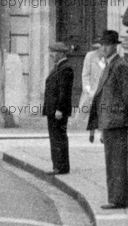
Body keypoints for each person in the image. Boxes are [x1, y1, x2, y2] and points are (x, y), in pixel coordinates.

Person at [88, 30, 128, 210]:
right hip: (110, 121)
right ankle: (117, 198)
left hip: (117, 122)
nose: (101, 48)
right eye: (101, 45)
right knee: (112, 161)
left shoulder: (119, 66)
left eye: (103, 45)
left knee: (116, 162)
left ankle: (118, 200)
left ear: (111, 46)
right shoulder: (110, 65)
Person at [42, 41, 74, 175]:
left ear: (61, 53)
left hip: (58, 111)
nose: (51, 55)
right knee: (55, 137)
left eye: (53, 52)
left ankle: (60, 167)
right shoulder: (59, 67)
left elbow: (64, 92)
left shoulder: (65, 68)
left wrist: (60, 109)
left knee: (58, 138)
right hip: (53, 109)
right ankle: (58, 165)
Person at [73, 43, 105, 127]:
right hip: (91, 87)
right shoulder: (90, 56)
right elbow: (85, 74)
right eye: (101, 46)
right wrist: (87, 88)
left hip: (104, 88)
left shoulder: (109, 57)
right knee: (86, 108)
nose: (103, 49)